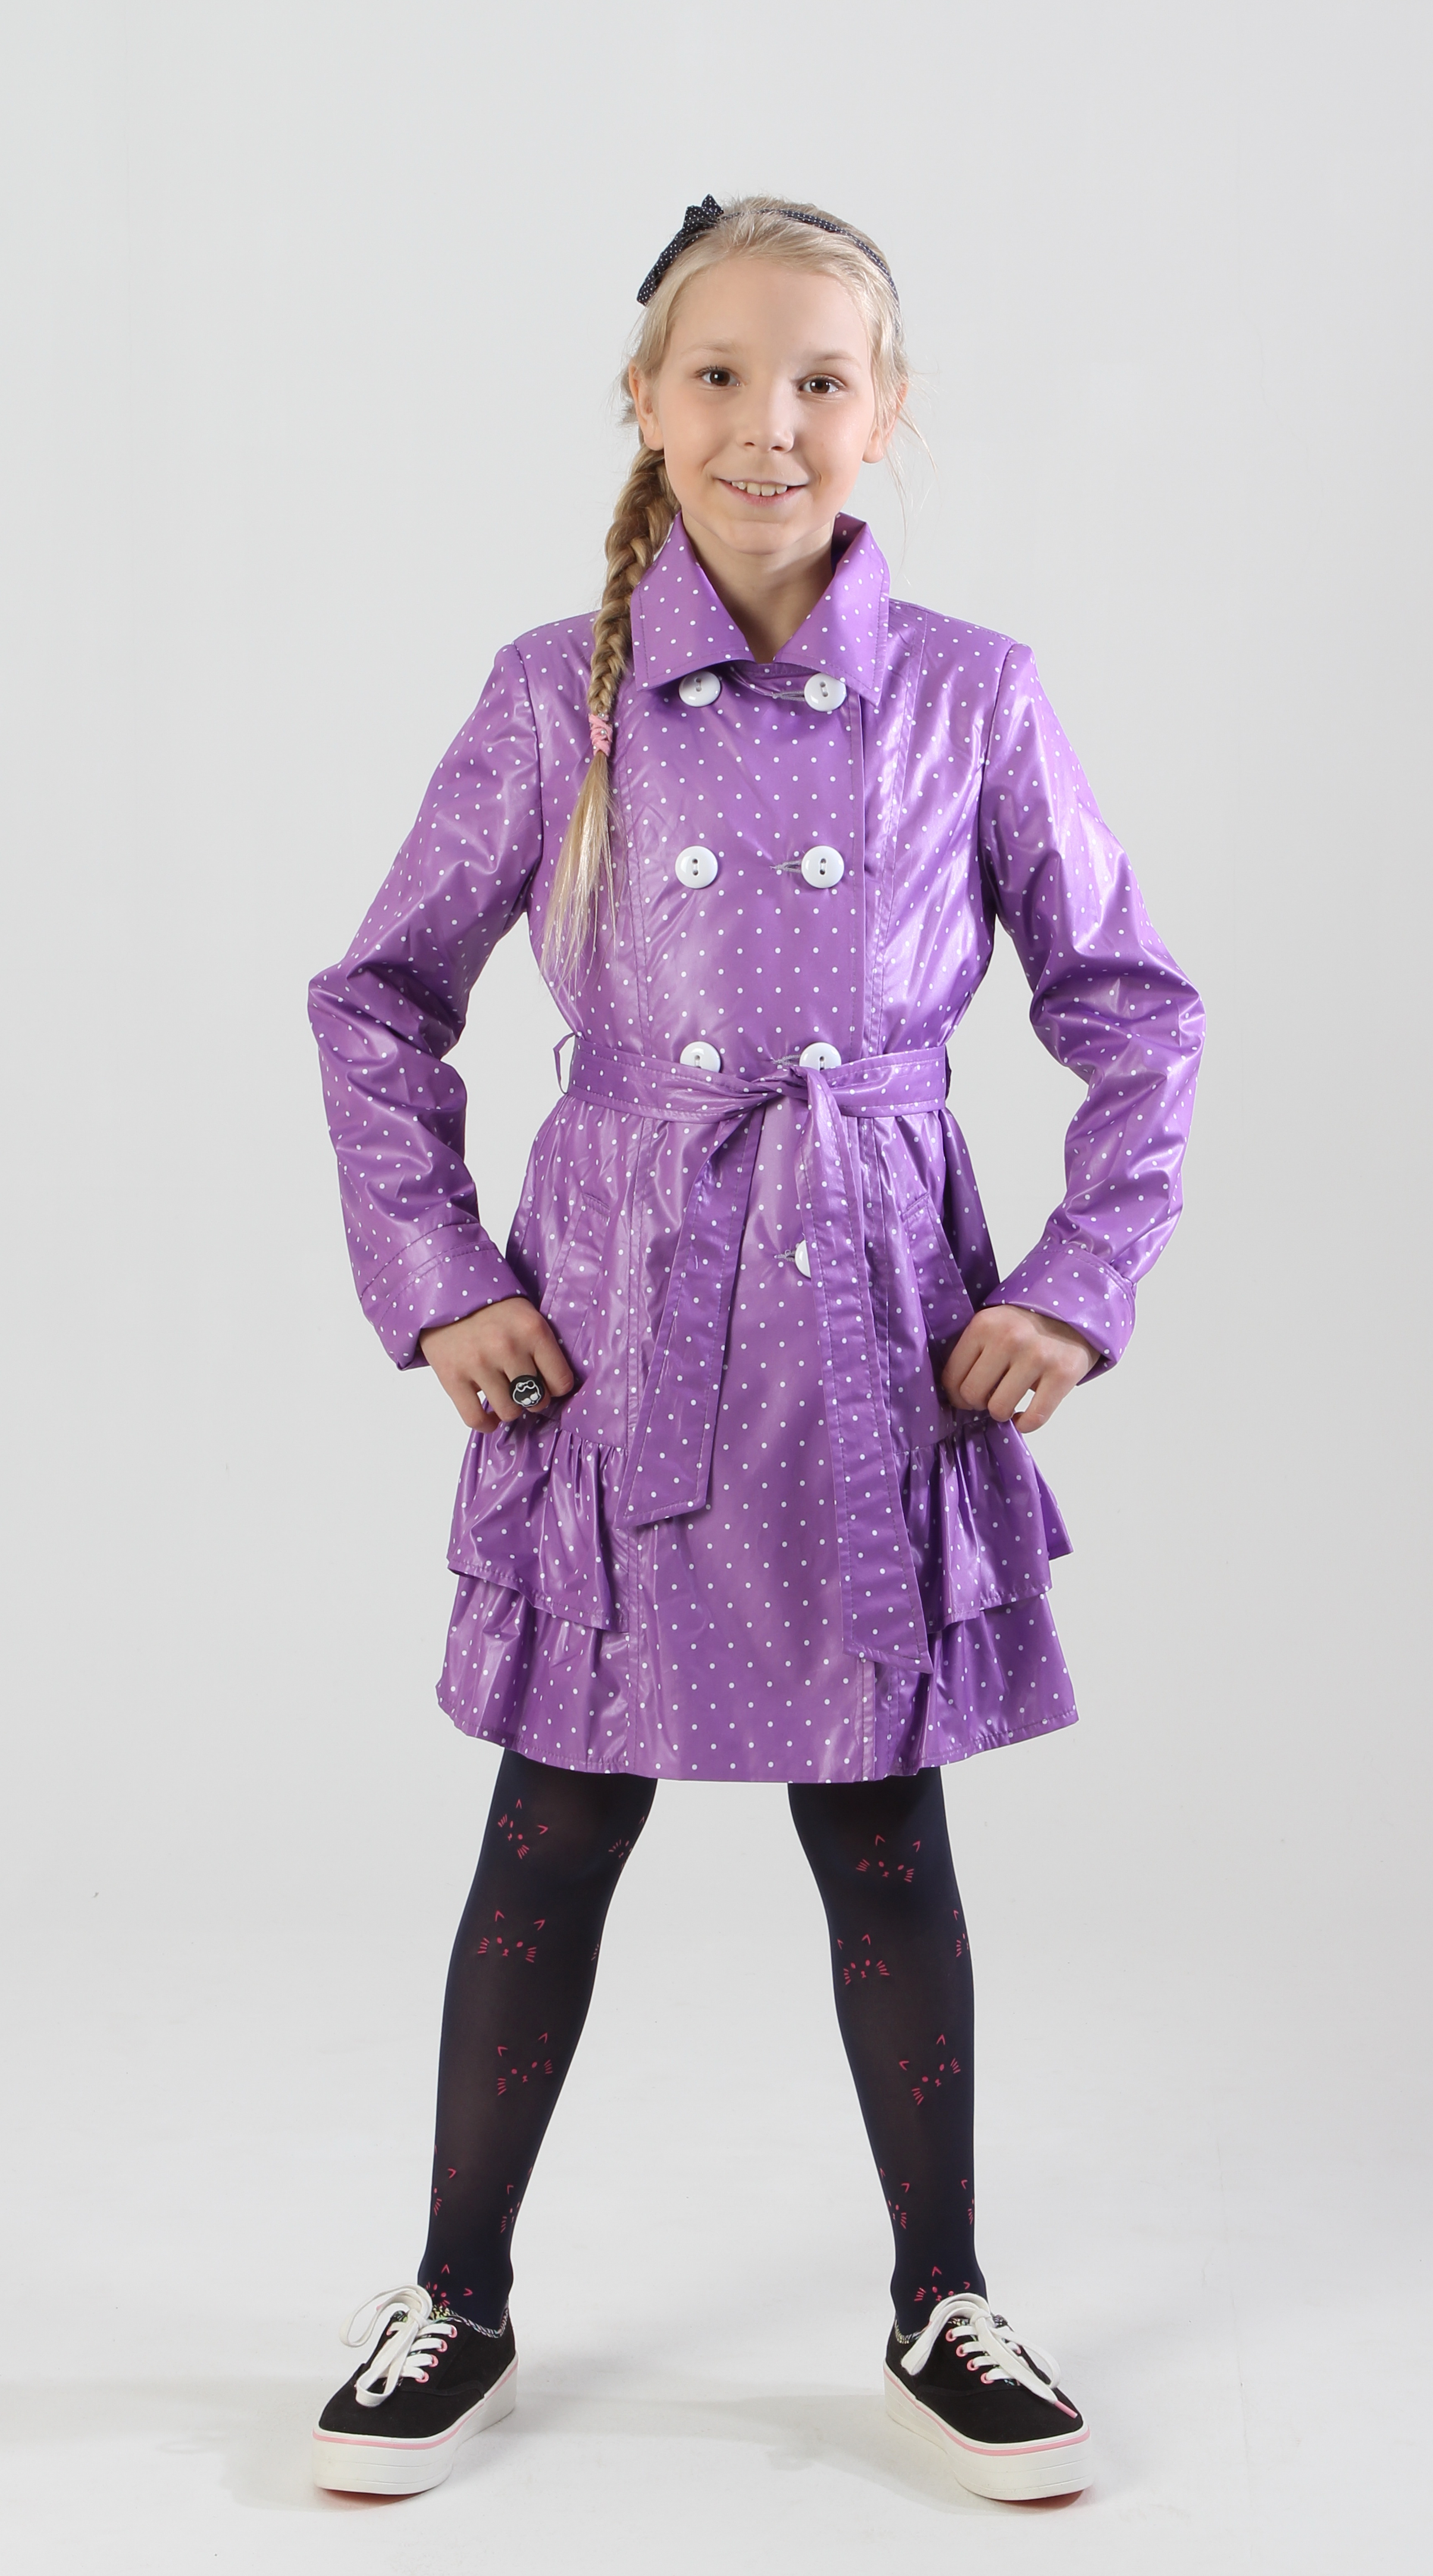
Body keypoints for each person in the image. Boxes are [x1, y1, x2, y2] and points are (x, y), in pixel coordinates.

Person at [306, 194, 1202, 2505]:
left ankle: (942, 2295)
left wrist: (1072, 1282)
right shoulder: (559, 690)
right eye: (717, 374)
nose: (767, 422)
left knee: (880, 1822)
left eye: (820, 379)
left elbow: (1134, 1014)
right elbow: (379, 998)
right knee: (554, 1815)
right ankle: (456, 2293)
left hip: (872, 1325)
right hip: (617, 1329)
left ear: (888, 414)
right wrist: (444, 1277)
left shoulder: (975, 694)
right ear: (644, 404)